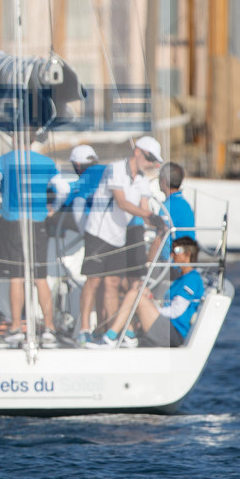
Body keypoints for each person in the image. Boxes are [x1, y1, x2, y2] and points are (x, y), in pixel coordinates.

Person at [79, 136, 162, 338]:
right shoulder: (114, 169)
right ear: (137, 152)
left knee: (113, 284)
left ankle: (111, 331)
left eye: (153, 161)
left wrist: (161, 225)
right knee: (93, 282)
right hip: (98, 233)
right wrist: (149, 215)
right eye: (149, 158)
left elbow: (144, 210)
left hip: (118, 238)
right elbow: (122, 202)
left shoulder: (142, 181)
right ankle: (84, 329)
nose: (150, 163)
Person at [0, 139, 66, 346]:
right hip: (37, 222)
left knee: (16, 277)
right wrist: (54, 207)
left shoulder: (4, 160)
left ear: (15, 138)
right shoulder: (46, 162)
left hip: (13, 222)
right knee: (40, 277)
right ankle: (49, 328)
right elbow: (63, 188)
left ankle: (16, 328)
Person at [91, 237, 203, 349]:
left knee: (135, 295)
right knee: (134, 293)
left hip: (173, 334)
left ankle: (111, 337)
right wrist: (149, 300)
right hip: (166, 326)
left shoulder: (192, 279)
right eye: (172, 250)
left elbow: (176, 311)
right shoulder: (182, 279)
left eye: (176, 251)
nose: (172, 254)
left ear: (188, 253)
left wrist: (151, 306)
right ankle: (128, 335)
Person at [157, 161, 195, 260]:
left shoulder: (167, 207)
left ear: (164, 180)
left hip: (171, 263)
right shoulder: (185, 205)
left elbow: (159, 238)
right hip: (186, 260)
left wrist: (148, 263)